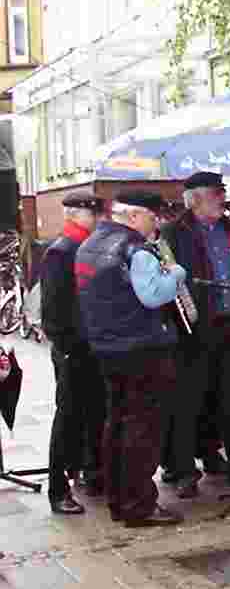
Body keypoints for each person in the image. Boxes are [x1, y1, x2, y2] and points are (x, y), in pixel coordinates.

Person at [75, 192, 185, 526]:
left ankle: (118, 500)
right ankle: (140, 505)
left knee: (117, 423)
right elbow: (153, 295)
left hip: (107, 347)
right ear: (135, 216)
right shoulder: (135, 248)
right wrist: (177, 274)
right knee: (143, 430)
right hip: (142, 348)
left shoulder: (90, 244)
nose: (157, 225)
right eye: (153, 218)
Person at [162, 171, 230, 498]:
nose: (223, 197)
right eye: (218, 192)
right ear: (197, 197)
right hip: (193, 331)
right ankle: (185, 471)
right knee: (188, 402)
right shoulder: (174, 233)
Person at [41, 193, 106, 515]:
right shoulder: (61, 251)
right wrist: (66, 349)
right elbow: (52, 310)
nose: (97, 220)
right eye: (91, 214)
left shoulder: (88, 248)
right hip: (73, 349)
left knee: (95, 414)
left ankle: (92, 473)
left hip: (93, 347)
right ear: (74, 215)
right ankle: (58, 488)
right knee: (67, 420)